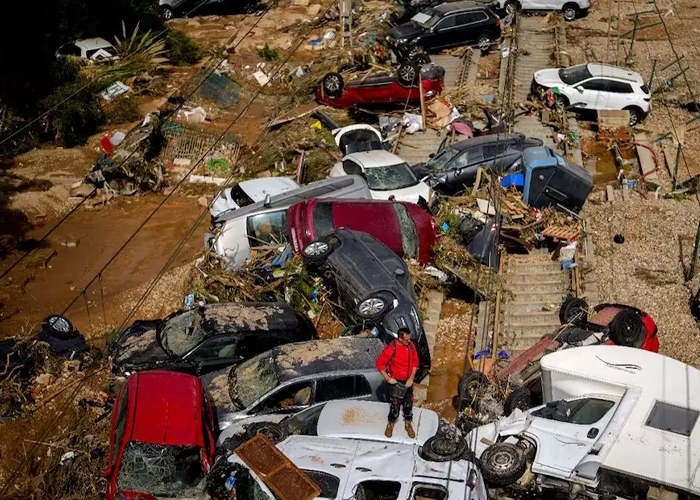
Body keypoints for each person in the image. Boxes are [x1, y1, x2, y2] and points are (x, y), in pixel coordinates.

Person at [375, 328, 419, 438]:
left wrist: (411, 378)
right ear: (399, 338)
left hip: (408, 381)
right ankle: (391, 424)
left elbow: (415, 362)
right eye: (406, 340)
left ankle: (408, 423)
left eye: (409, 339)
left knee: (408, 405)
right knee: (395, 406)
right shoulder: (391, 349)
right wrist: (388, 379)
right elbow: (380, 364)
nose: (409, 342)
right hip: (396, 382)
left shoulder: (411, 346)